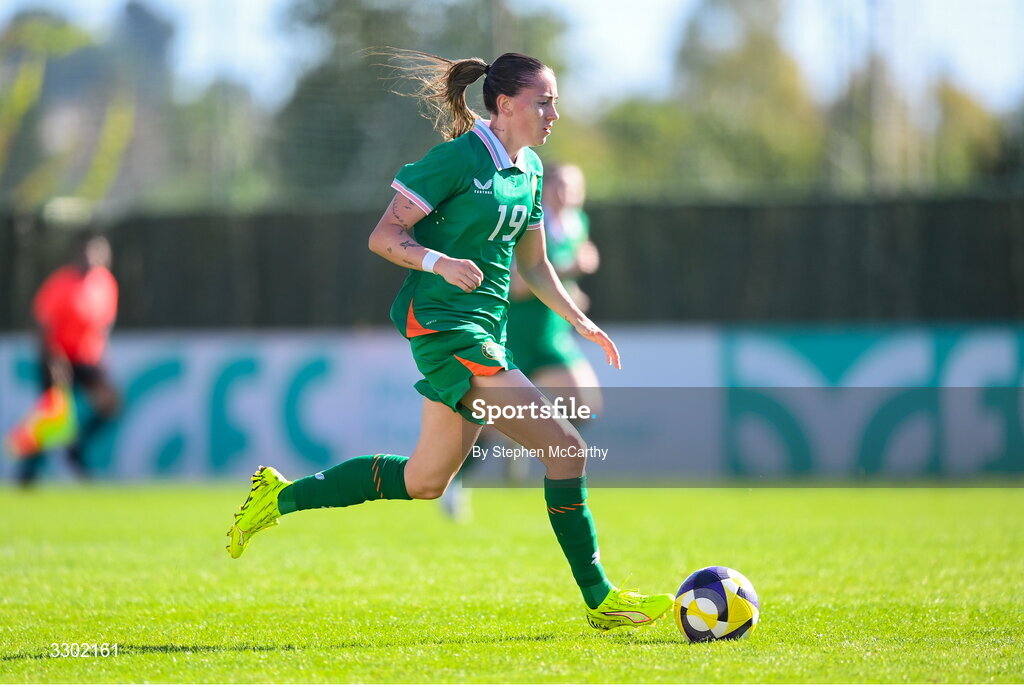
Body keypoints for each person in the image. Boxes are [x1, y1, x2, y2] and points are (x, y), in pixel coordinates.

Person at [226, 50, 673, 631]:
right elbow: (384, 235)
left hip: (488, 332)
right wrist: (439, 262)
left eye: (555, 102)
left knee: (425, 481)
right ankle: (601, 600)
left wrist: (578, 320)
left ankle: (277, 498)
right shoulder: (455, 161)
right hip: (445, 329)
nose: (553, 114)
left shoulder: (531, 170)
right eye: (544, 102)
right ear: (506, 105)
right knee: (566, 448)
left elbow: (535, 267)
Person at [440, 162, 602, 514]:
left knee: (586, 405)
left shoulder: (578, 224)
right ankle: (455, 483)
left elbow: (563, 279)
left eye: (574, 186)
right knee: (492, 429)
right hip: (513, 336)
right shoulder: (528, 222)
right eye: (559, 184)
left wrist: (574, 296)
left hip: (550, 337)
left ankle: (532, 446)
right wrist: (570, 269)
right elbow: (518, 284)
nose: (566, 193)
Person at [16, 231, 120, 487]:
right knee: (53, 416)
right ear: (77, 255)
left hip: (85, 359)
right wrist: (53, 359)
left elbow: (101, 326)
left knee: (110, 404)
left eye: (97, 252)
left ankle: (77, 447)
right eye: (87, 252)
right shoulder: (60, 284)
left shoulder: (106, 284)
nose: (91, 257)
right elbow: (40, 325)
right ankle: (27, 475)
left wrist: (99, 357)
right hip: (57, 357)